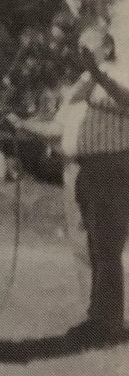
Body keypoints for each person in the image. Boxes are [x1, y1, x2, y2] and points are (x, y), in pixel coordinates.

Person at [8, 27, 129, 345]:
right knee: (83, 248)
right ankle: (96, 318)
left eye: (87, 46)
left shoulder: (120, 72)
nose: (81, 52)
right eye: (79, 48)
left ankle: (109, 323)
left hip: (110, 168)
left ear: (106, 45)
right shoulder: (79, 85)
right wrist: (22, 124)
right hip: (78, 170)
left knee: (106, 248)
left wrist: (98, 75)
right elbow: (57, 129)